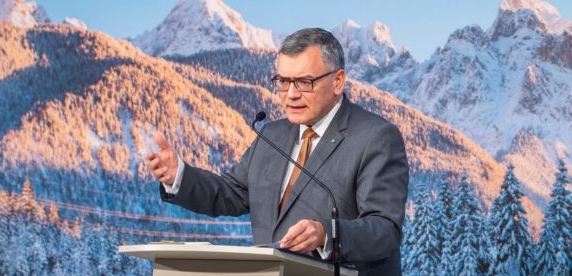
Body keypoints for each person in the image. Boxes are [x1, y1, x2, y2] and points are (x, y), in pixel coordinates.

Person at [147, 27, 409, 275]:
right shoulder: (272, 135)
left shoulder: (376, 137)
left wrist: (326, 235)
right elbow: (232, 193)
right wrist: (177, 176)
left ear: (338, 81)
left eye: (304, 82)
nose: (290, 95)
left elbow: (384, 230)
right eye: (283, 81)